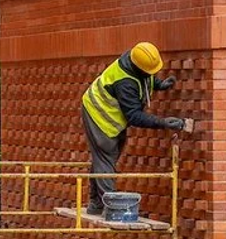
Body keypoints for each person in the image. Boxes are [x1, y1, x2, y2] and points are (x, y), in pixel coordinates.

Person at [81, 42, 192, 214]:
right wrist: (162, 123)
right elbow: (133, 115)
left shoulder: (134, 59)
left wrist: (158, 84)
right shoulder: (125, 83)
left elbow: (144, 76)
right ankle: (112, 208)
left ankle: (96, 204)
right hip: (98, 113)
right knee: (105, 156)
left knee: (104, 158)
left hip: (110, 115)